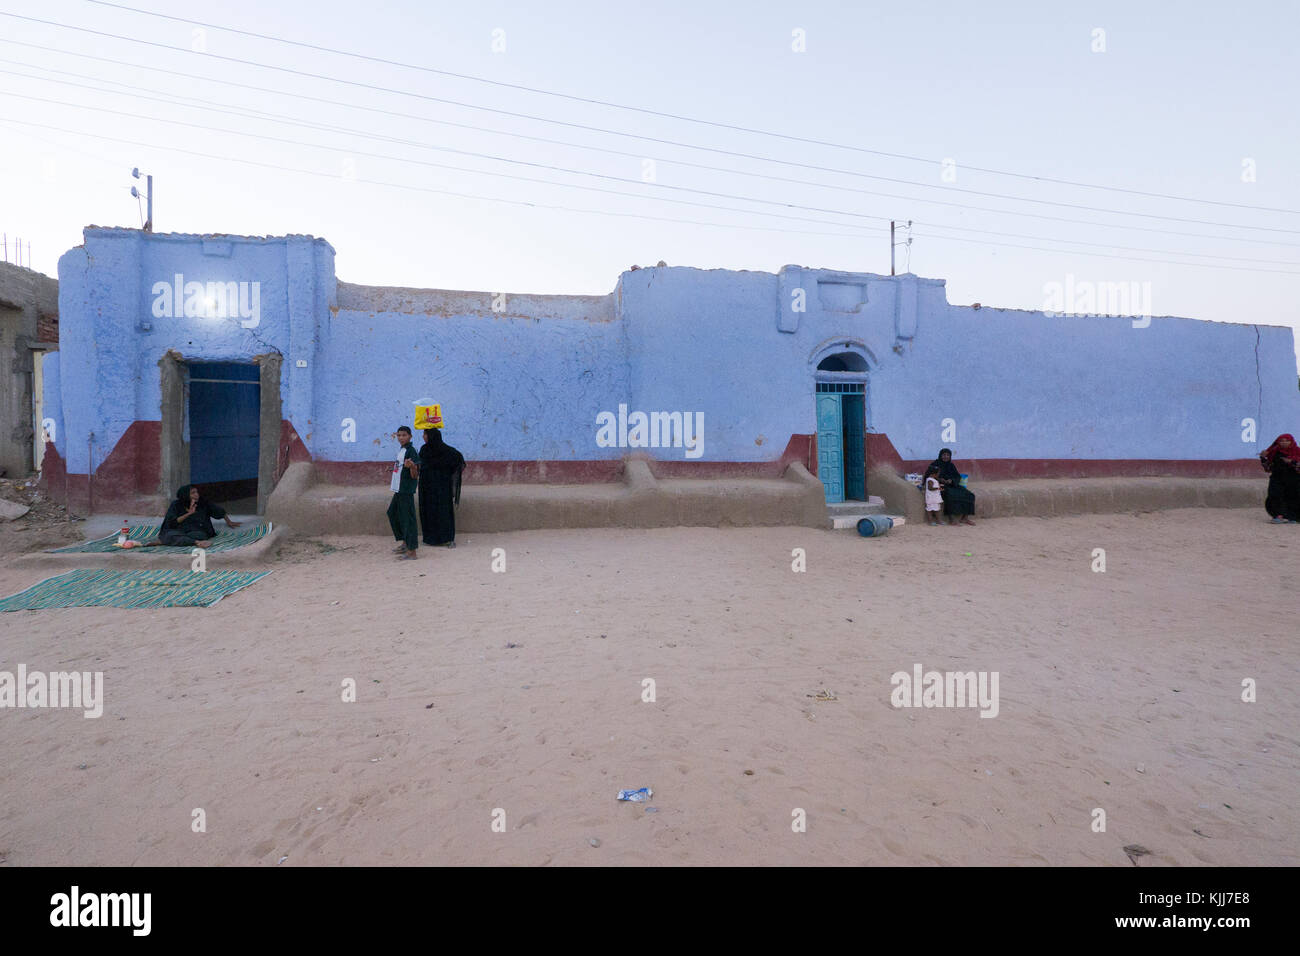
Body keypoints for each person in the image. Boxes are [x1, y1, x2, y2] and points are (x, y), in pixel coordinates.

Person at [418, 426, 466, 547]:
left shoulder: (446, 451)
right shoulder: (424, 449)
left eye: (425, 434)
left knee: (443, 511)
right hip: (427, 487)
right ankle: (430, 538)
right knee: (428, 511)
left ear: (432, 436)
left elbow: (459, 460)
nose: (423, 436)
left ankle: (448, 538)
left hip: (441, 488)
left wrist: (448, 474)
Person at [150, 484, 240, 548]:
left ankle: (170, 541)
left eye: (196, 492)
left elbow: (219, 511)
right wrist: (189, 514)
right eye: (193, 493)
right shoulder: (176, 504)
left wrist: (229, 522)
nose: (196, 495)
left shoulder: (203, 502)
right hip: (180, 530)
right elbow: (172, 522)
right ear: (185, 495)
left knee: (198, 535)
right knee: (169, 534)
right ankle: (195, 542)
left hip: (197, 530)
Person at [387, 426, 421, 559]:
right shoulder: (402, 450)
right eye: (399, 435)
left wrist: (412, 466)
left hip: (406, 489)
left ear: (410, 437)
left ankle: (412, 551)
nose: (401, 438)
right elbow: (401, 467)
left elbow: (415, 474)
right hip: (398, 488)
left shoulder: (412, 451)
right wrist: (393, 469)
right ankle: (406, 542)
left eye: (404, 435)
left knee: (408, 519)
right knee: (393, 513)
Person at [927, 448, 976, 525]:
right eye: (944, 455)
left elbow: (957, 476)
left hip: (952, 485)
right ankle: (952, 519)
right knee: (950, 495)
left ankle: (965, 518)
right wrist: (940, 479)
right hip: (940, 485)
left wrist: (952, 481)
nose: (946, 457)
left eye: (948, 455)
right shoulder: (935, 464)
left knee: (969, 495)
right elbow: (929, 475)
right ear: (940, 455)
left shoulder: (951, 465)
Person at [1259, 433, 1300, 523]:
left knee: (1293, 497)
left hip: (1294, 479)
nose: (1284, 443)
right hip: (1277, 478)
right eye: (1281, 441)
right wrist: (1263, 458)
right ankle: (1278, 515)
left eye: (1287, 441)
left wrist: (1292, 462)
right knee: (1275, 496)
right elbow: (1268, 468)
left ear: (1291, 441)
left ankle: (1293, 517)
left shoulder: (1297, 451)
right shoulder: (1273, 452)